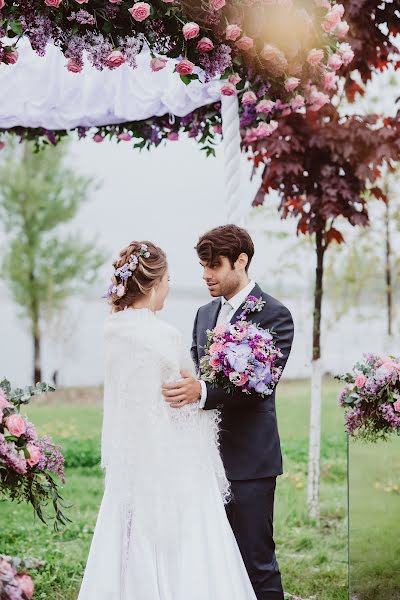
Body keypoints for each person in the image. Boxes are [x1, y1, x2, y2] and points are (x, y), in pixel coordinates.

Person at [77, 240, 257, 600]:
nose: (171, 287)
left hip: (130, 465)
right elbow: (180, 402)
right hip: (172, 465)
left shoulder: (113, 333)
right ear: (155, 283)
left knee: (126, 549)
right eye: (169, 279)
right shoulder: (162, 336)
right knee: (190, 551)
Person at [163, 225, 294, 600]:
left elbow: (260, 386)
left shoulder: (275, 315)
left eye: (214, 265)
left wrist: (201, 392)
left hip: (250, 462)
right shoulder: (204, 314)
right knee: (214, 562)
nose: (205, 274)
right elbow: (193, 370)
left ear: (241, 261)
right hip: (203, 461)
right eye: (203, 265)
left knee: (256, 561)